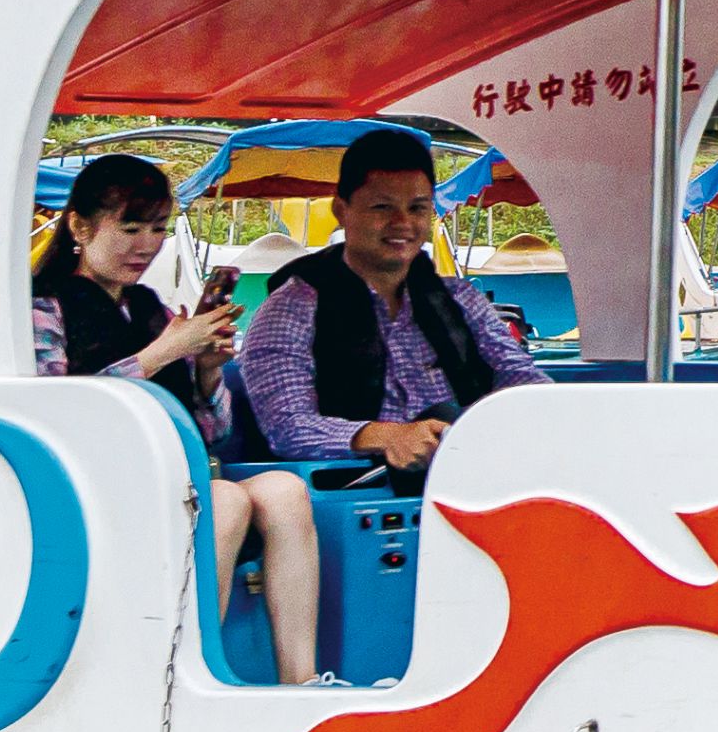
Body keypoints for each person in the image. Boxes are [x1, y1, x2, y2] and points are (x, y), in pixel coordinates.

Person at [35, 151, 325, 685]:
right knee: (226, 500)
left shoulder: (152, 308)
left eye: (157, 229)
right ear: (80, 226)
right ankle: (188, 679)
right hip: (95, 487)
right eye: (130, 228)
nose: (146, 245)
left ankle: (300, 681)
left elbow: (214, 431)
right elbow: (58, 410)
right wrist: (162, 353)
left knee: (284, 490)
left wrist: (208, 372)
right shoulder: (45, 308)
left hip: (176, 476)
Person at [243, 124, 545, 476]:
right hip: (357, 486)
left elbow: (522, 380)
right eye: (382, 207)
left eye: (417, 208)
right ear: (341, 209)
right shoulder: (290, 309)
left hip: (472, 475)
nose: (402, 223)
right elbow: (288, 426)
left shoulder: (462, 300)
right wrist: (386, 436)